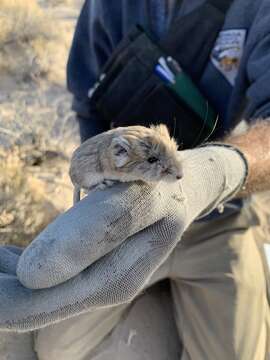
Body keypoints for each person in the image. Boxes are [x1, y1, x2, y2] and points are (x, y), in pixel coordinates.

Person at [0, 0, 270, 359]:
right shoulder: (105, 6)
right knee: (52, 346)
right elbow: (88, 104)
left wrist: (216, 171)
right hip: (124, 213)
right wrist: (102, 193)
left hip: (221, 217)